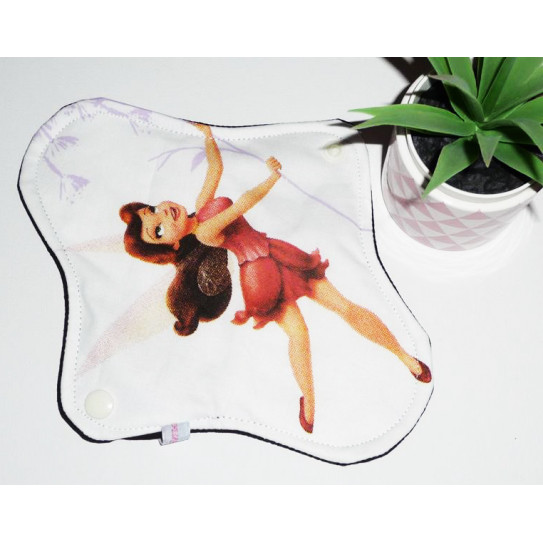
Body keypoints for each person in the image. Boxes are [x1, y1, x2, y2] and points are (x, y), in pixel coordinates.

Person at [120, 123, 431, 434]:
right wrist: (272, 178)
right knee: (300, 333)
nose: (162, 214)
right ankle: (310, 403)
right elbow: (242, 204)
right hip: (260, 275)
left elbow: (215, 168)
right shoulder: (205, 231)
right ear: (172, 246)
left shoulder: (201, 207)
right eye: (157, 229)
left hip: (277, 253)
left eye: (152, 209)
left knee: (343, 307)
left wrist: (208, 136)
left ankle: (406, 358)